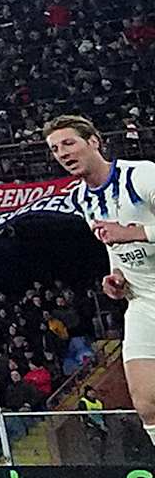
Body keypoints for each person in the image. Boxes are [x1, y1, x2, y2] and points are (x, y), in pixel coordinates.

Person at [48, 113, 155, 450]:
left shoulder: (142, 175)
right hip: (143, 302)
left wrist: (135, 233)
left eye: (69, 143)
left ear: (93, 141)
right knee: (146, 403)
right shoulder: (81, 198)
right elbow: (112, 245)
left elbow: (124, 234)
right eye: (55, 149)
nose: (63, 153)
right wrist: (117, 276)